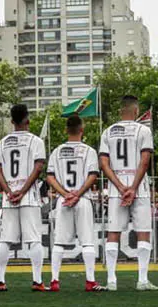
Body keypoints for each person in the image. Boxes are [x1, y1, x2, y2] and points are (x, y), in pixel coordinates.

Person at [99, 95, 158, 291]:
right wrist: (132, 188)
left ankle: (111, 281)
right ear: (136, 111)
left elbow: (104, 164)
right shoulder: (144, 130)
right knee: (143, 233)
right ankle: (142, 280)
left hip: (117, 190)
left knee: (113, 233)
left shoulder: (108, 132)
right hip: (139, 188)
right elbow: (144, 161)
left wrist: (120, 186)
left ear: (120, 111)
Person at [46, 115, 106, 292]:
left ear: (66, 130)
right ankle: (90, 281)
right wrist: (78, 194)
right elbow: (93, 175)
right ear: (82, 130)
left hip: (63, 201)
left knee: (59, 242)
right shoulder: (89, 151)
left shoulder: (57, 151)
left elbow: (50, 176)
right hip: (83, 199)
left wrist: (65, 194)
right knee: (87, 242)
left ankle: (55, 281)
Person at [0, 104, 46, 291]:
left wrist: (8, 191)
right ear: (28, 120)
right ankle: (37, 280)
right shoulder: (36, 141)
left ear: (12, 121)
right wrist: (23, 191)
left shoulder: (3, 142)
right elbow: (38, 167)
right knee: (34, 239)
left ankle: (1, 280)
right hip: (29, 197)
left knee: (6, 240)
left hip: (9, 197)